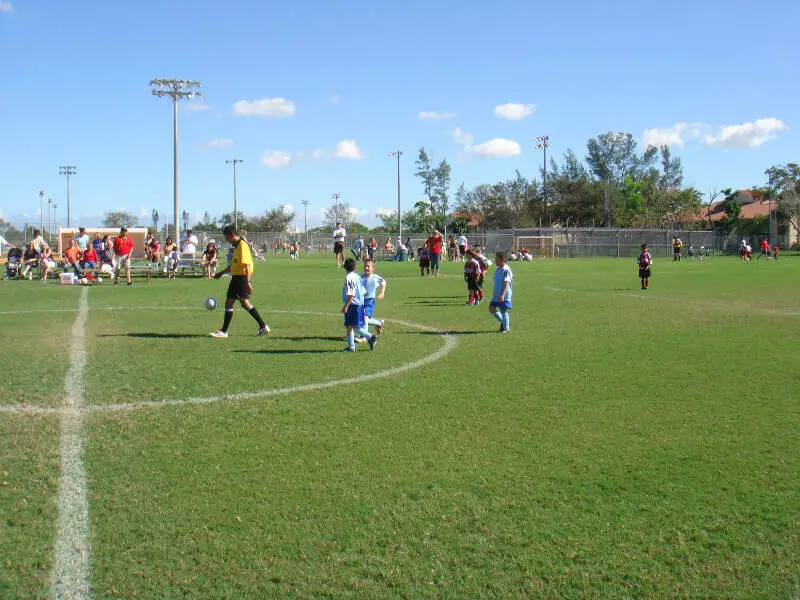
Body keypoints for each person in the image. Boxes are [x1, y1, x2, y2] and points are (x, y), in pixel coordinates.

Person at [210, 226, 270, 338]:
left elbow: (247, 265)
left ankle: (224, 331)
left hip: (241, 278)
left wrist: (248, 282)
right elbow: (234, 265)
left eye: (226, 237)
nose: (226, 240)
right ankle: (263, 326)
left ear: (232, 235)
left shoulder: (242, 245)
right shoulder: (237, 246)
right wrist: (221, 273)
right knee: (237, 303)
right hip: (237, 278)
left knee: (236, 303)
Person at [340, 257, 376, 352]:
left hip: (353, 305)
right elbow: (363, 291)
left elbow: (351, 293)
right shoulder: (357, 277)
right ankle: (352, 347)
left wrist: (346, 306)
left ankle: (370, 337)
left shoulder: (349, 278)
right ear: (355, 267)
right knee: (351, 326)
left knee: (352, 326)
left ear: (345, 267)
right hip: (359, 304)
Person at [489, 252, 513, 333]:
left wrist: (502, 294)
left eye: (497, 259)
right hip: (496, 294)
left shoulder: (506, 269)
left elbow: (507, 283)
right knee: (491, 309)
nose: (495, 261)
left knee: (503, 310)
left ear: (503, 260)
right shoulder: (497, 269)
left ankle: (506, 328)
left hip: (504, 294)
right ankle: (503, 322)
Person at [362, 259, 387, 335]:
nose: (366, 268)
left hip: (369, 301)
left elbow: (384, 283)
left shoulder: (375, 278)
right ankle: (379, 323)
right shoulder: (360, 277)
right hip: (361, 302)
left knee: (365, 318)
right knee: (363, 318)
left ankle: (364, 337)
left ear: (373, 269)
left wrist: (382, 292)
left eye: (368, 266)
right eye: (365, 266)